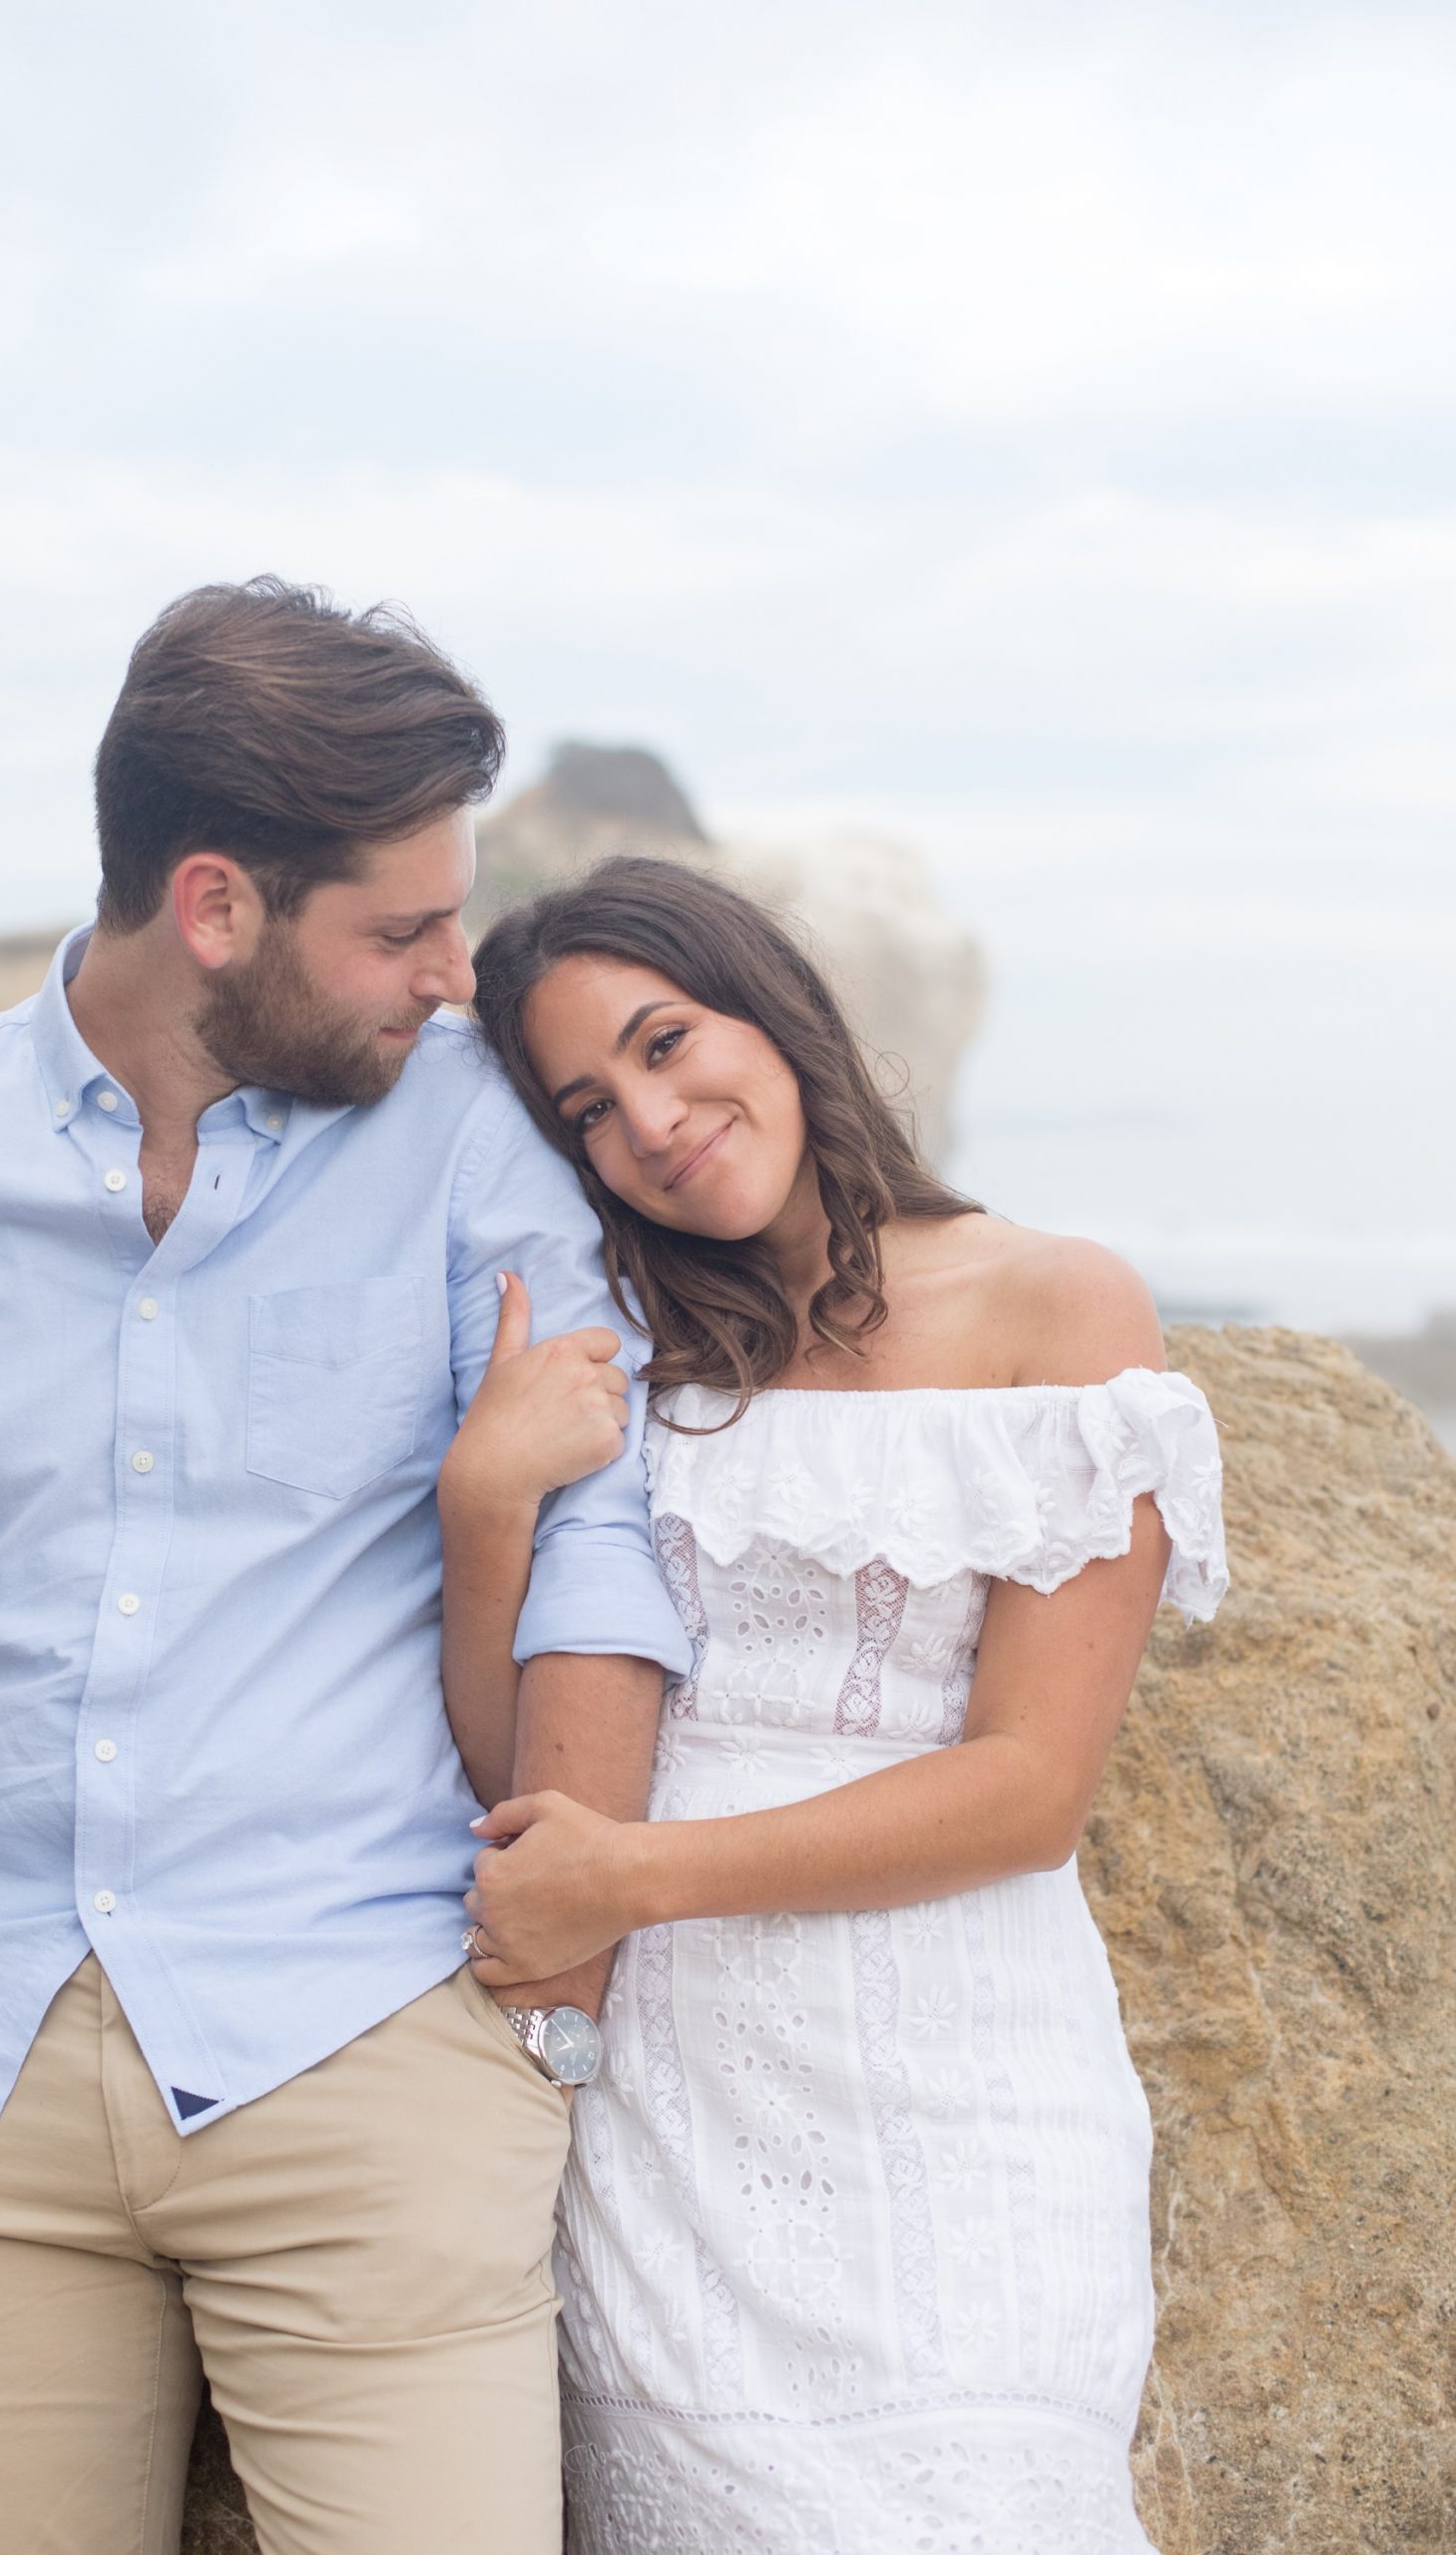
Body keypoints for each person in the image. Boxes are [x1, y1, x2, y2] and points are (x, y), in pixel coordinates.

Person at [0, 582, 692, 2555]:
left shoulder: (470, 1140)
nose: (453, 973)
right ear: (212, 906)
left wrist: (563, 1956)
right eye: (400, 928)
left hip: (370, 2042)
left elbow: (593, 1519)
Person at [442, 854, 1228, 2553]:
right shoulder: (628, 1353)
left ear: (775, 1013)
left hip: (963, 2087)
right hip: (668, 2109)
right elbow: (520, 1776)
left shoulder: (1054, 1304)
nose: (651, 1119)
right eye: (589, 1105)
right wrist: (486, 1509)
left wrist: (636, 1879)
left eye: (667, 1041)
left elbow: (1032, 1792)